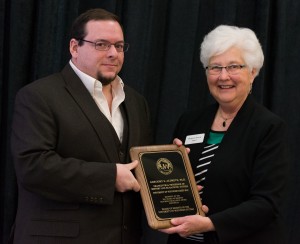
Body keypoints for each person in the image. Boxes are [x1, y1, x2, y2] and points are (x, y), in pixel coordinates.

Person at [10, 8, 152, 244]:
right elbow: (32, 167)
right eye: (101, 44)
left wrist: (173, 171)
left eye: (119, 46)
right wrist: (110, 177)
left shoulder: (136, 102)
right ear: (74, 47)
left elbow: (137, 166)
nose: (113, 53)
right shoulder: (38, 96)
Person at [160, 25, 289, 244]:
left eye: (233, 67)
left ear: (253, 72)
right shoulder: (190, 121)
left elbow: (266, 204)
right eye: (215, 67)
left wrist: (210, 224)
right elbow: (169, 185)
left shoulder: (268, 128)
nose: (223, 76)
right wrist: (171, 170)